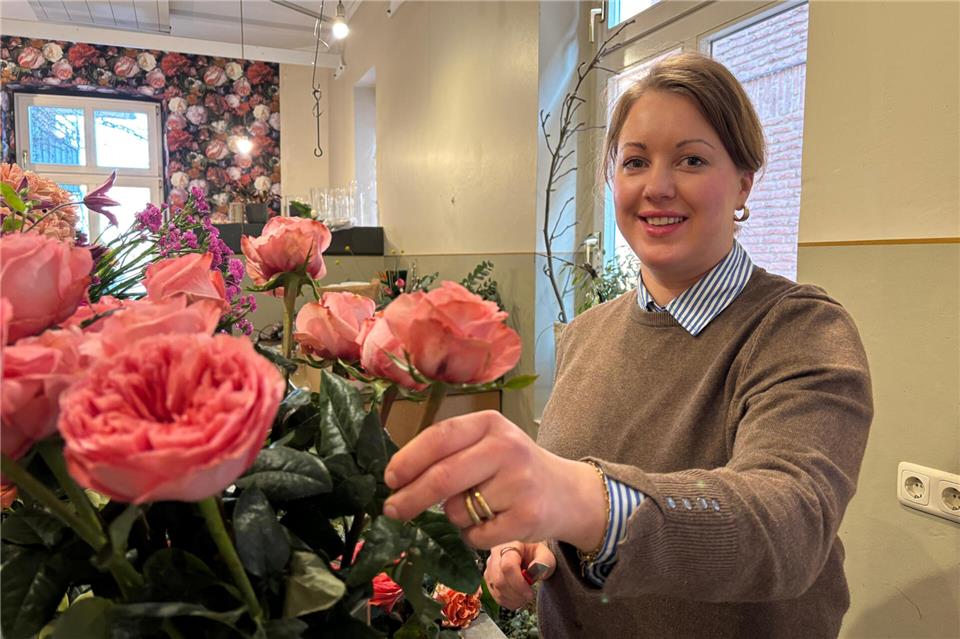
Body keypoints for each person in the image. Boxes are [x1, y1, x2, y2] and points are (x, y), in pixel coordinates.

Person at [382, 52, 872, 638]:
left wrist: (576, 496)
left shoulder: (800, 332)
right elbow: (571, 513)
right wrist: (529, 537)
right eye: (635, 161)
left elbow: (788, 526)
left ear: (743, 180)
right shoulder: (586, 334)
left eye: (691, 159)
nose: (657, 187)